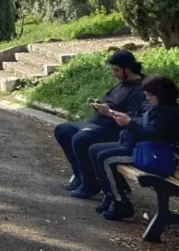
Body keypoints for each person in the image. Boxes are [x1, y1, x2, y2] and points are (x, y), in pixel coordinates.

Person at [89, 74, 179, 220]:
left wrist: (129, 123)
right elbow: (140, 122)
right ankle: (111, 195)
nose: (147, 98)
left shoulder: (168, 113)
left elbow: (151, 134)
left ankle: (120, 203)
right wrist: (111, 113)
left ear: (160, 94)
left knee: (105, 158)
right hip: (141, 148)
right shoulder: (157, 107)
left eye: (150, 94)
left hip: (153, 156)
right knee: (94, 150)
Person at [53, 50, 146, 198]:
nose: (114, 74)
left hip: (113, 131)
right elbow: (114, 103)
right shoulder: (122, 84)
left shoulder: (139, 90)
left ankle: (89, 185)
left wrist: (109, 112)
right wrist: (99, 105)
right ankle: (80, 175)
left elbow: (131, 119)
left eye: (116, 70)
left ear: (128, 69)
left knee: (80, 139)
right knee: (63, 130)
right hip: (96, 124)